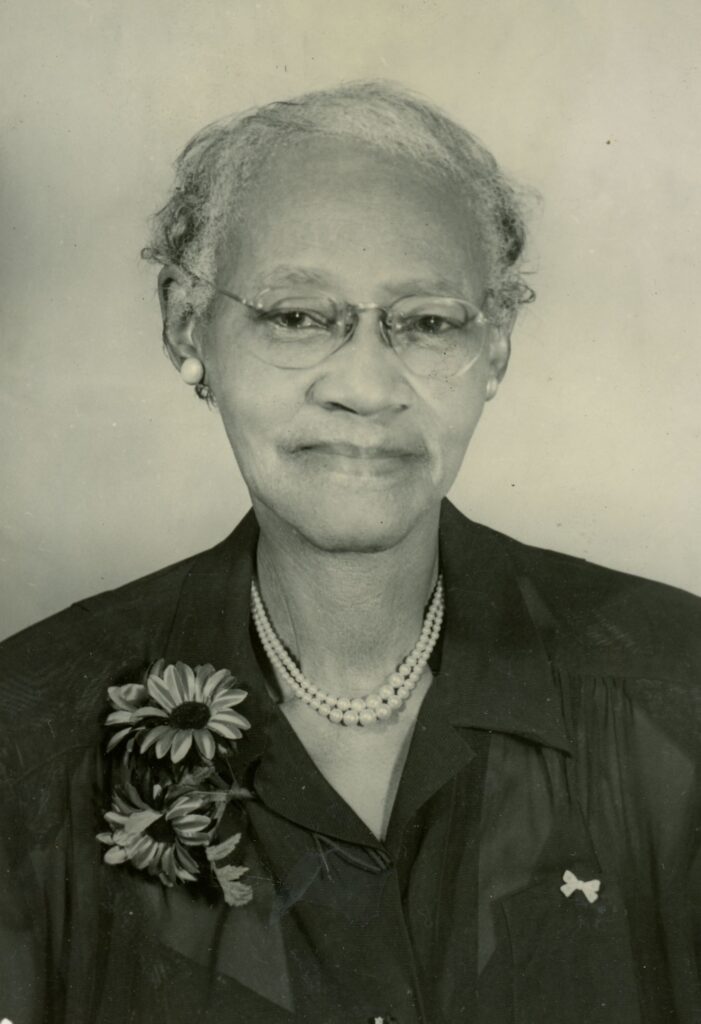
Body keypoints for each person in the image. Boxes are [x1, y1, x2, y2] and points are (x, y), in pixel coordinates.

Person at [1, 81, 699, 1024]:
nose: (367, 385)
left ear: (494, 348)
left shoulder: (677, 687)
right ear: (186, 327)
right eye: (296, 316)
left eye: (427, 321)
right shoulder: (26, 734)